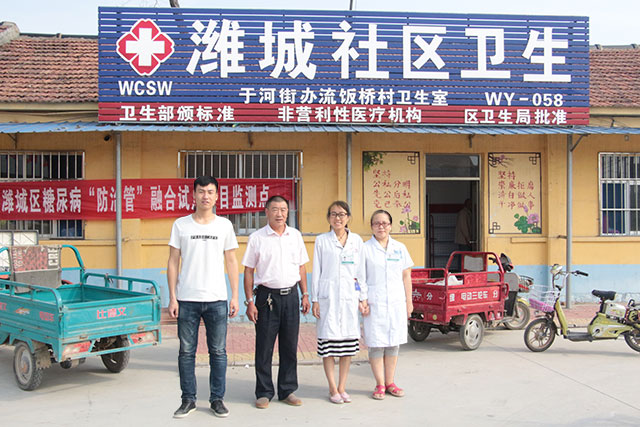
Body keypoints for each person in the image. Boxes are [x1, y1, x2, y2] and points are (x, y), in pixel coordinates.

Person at [167, 175, 240, 419]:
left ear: (217, 196)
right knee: (186, 352)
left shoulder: (224, 226)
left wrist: (234, 296)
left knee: (218, 352)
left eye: (210, 192)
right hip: (187, 299)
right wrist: (173, 297)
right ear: (194, 195)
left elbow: (231, 261)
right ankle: (188, 399)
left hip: (216, 299)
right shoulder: (181, 225)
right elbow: (173, 261)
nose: (205, 196)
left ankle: (217, 399)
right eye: (201, 191)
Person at [242, 195, 310, 409]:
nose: (280, 214)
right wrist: (250, 301)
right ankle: (264, 392)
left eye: (283, 209)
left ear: (288, 212)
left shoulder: (295, 236)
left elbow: (301, 267)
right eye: (275, 209)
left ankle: (287, 390)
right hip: (267, 298)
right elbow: (248, 271)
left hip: (291, 296)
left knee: (289, 346)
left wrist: (305, 294)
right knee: (264, 347)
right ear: (266, 212)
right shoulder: (257, 238)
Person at [311, 201, 369, 404]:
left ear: (348, 217)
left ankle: (342, 387)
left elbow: (361, 272)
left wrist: (362, 297)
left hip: (349, 298)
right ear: (328, 217)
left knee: (347, 347)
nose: (338, 218)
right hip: (328, 297)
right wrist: (315, 299)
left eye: (342, 214)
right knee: (328, 347)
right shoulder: (321, 241)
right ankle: (332, 388)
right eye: (334, 214)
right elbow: (316, 271)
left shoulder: (356, 241)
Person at [362, 209, 414, 400]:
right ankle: (380, 384)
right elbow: (359, 278)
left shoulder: (400, 248)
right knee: (376, 344)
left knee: (393, 343)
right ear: (371, 227)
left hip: (396, 302)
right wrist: (363, 300)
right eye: (377, 223)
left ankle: (390, 382)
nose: (381, 226)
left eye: (384, 223)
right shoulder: (365, 249)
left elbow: (406, 276)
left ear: (391, 226)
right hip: (374, 303)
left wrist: (409, 302)